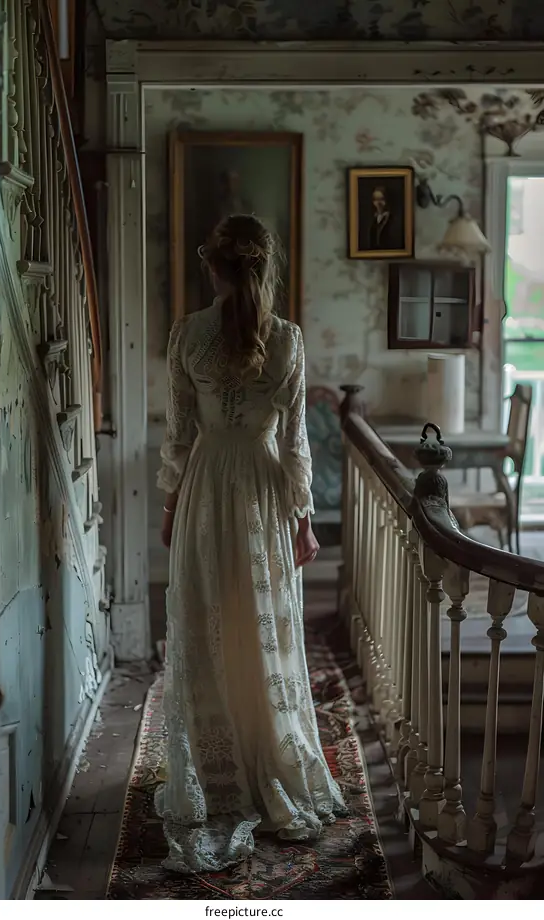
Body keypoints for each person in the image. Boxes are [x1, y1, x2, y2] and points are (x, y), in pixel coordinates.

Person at [156, 213, 347, 875]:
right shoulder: (288, 340)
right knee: (257, 622)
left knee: (211, 616)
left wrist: (170, 500)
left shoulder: (188, 335)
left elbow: (181, 436)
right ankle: (266, 746)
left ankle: (219, 764)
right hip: (263, 490)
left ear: (213, 266)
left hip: (210, 487)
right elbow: (295, 446)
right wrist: (304, 516)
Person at [367, 184, 403, 251]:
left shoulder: (394, 221)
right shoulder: (374, 220)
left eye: (382, 199)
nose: (378, 203)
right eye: (375, 200)